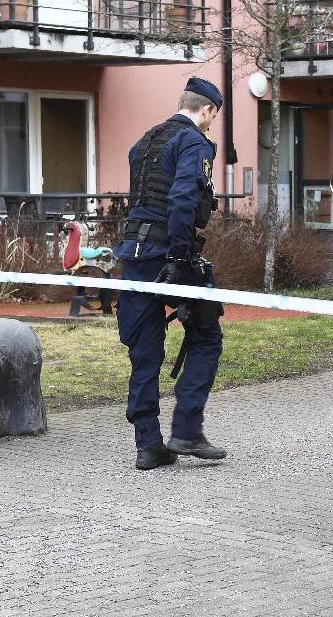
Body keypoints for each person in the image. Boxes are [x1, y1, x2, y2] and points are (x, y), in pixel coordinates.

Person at [115, 77, 227, 470]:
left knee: (144, 350)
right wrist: (179, 260)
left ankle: (148, 446)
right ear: (208, 109)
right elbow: (182, 200)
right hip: (168, 252)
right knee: (207, 335)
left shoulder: (144, 142)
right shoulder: (193, 141)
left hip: (134, 254)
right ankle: (187, 430)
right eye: (214, 116)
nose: (212, 123)